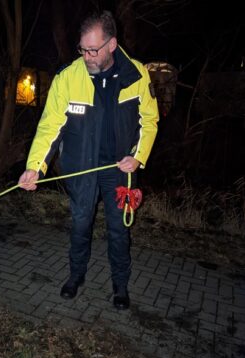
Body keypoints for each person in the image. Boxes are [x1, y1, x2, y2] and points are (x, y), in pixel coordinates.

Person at [18, 11, 159, 310]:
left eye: (93, 50)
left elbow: (150, 120)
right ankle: (75, 276)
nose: (87, 56)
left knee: (119, 231)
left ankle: (120, 287)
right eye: (83, 49)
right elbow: (50, 126)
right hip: (82, 168)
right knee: (80, 226)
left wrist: (137, 157)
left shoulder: (137, 75)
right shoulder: (68, 78)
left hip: (119, 172)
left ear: (112, 45)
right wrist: (35, 167)